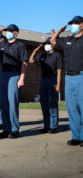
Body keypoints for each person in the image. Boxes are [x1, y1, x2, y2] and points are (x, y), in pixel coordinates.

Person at [0, 24, 28, 139]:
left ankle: (15, 129)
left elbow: (24, 63)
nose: (7, 33)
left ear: (16, 33)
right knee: (3, 103)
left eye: (10, 31)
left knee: (12, 103)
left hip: (14, 74)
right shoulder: (3, 44)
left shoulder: (20, 45)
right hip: (3, 74)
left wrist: (22, 78)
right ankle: (6, 128)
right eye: (6, 31)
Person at [51, 15, 83, 147]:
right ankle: (76, 137)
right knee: (72, 109)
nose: (73, 25)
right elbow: (53, 41)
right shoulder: (68, 39)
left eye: (76, 23)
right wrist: (59, 31)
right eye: (72, 23)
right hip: (69, 77)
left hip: (81, 76)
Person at [29, 37, 63, 134]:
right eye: (45, 44)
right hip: (43, 81)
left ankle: (53, 126)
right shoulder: (42, 55)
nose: (46, 45)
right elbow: (31, 60)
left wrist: (58, 85)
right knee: (44, 104)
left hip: (53, 80)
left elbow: (59, 71)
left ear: (53, 44)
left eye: (48, 43)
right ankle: (46, 125)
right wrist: (35, 50)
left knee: (52, 104)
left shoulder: (57, 55)